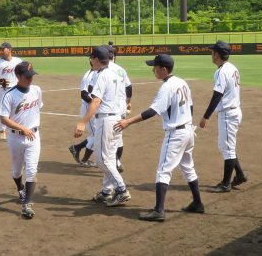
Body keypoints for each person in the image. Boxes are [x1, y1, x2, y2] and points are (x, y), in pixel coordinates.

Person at [114, 54, 204, 222]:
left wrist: (128, 121)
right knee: (187, 167)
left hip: (176, 134)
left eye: (155, 67)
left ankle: (158, 210)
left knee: (163, 171)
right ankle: (197, 203)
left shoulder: (167, 87)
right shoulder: (182, 82)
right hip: (187, 131)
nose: (153, 69)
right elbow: (190, 106)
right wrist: (190, 125)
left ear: (164, 69)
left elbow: (152, 111)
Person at [74, 46, 131, 207]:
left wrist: (83, 122)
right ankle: (107, 192)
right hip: (117, 118)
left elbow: (96, 101)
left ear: (97, 59)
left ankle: (122, 190)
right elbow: (124, 95)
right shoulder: (116, 73)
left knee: (102, 160)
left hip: (106, 120)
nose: (91, 60)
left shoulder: (101, 76)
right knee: (111, 157)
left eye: (92, 58)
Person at [199, 40, 247, 192]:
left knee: (227, 149)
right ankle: (239, 175)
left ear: (217, 54)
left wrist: (205, 116)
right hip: (234, 111)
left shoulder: (221, 71)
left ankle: (226, 184)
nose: (211, 54)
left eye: (212, 52)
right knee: (226, 146)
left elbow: (217, 95)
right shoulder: (232, 67)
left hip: (228, 114)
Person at [0, 61, 43, 219]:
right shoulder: (9, 95)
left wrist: (30, 127)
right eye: (27, 76)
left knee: (31, 170)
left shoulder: (37, 90)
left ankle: (27, 204)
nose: (30, 79)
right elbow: (3, 118)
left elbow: (37, 109)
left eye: (32, 75)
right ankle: (20, 188)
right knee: (17, 171)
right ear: (18, 76)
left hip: (34, 137)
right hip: (16, 138)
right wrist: (22, 127)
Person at [0, 42, 22, 140]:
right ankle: (2, 131)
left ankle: (18, 128)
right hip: (4, 90)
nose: (1, 51)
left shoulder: (18, 61)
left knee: (18, 109)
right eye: (0, 49)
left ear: (9, 49)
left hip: (17, 89)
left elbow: (23, 72)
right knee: (3, 111)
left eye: (3, 49)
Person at [68, 61, 97, 167]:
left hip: (94, 108)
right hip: (88, 109)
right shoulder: (89, 75)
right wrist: (94, 104)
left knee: (97, 135)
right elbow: (84, 95)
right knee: (97, 135)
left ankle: (77, 149)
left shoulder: (99, 73)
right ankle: (83, 158)